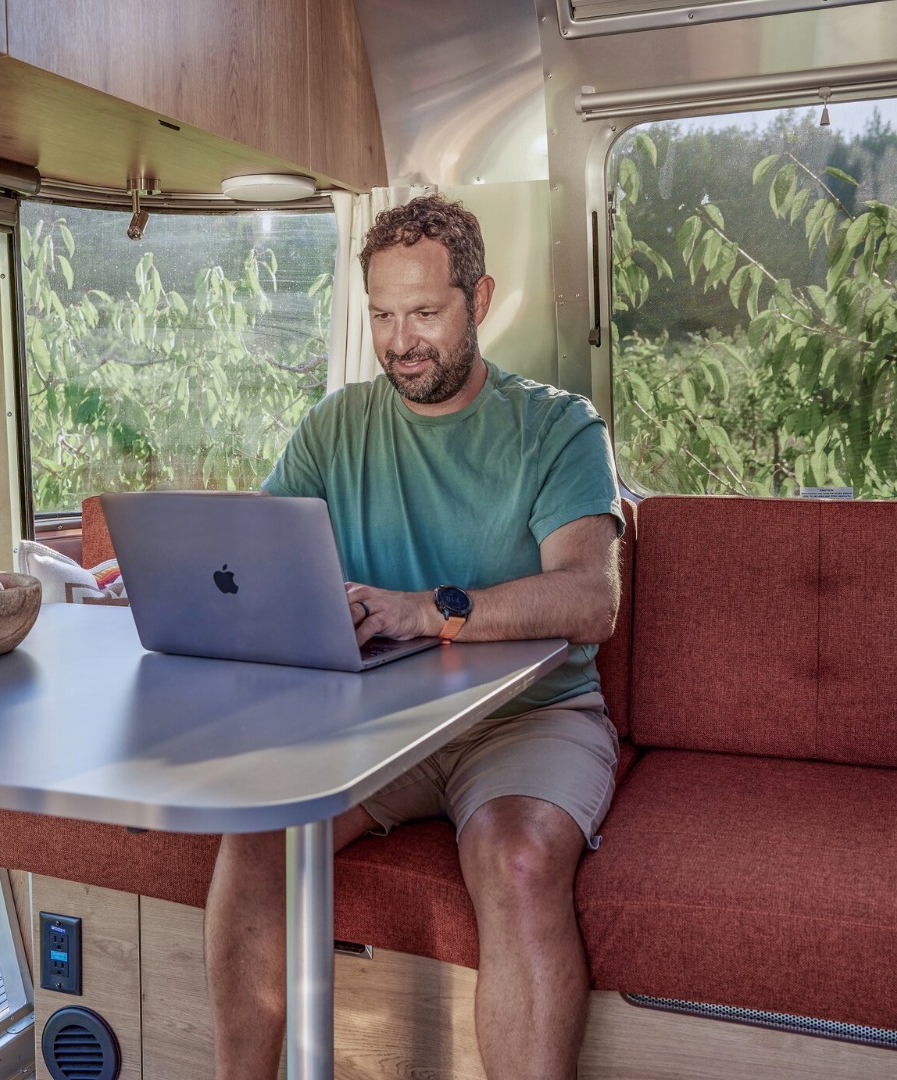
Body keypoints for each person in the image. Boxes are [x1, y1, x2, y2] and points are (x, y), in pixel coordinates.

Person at [204, 194, 624, 1079]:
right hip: (380, 721)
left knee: (513, 860)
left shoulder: (558, 427)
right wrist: (175, 571)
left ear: (483, 299)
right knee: (258, 838)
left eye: (426, 313)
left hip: (528, 718)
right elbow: (257, 553)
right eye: (384, 316)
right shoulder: (334, 427)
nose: (403, 341)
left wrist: (425, 610)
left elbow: (591, 599)